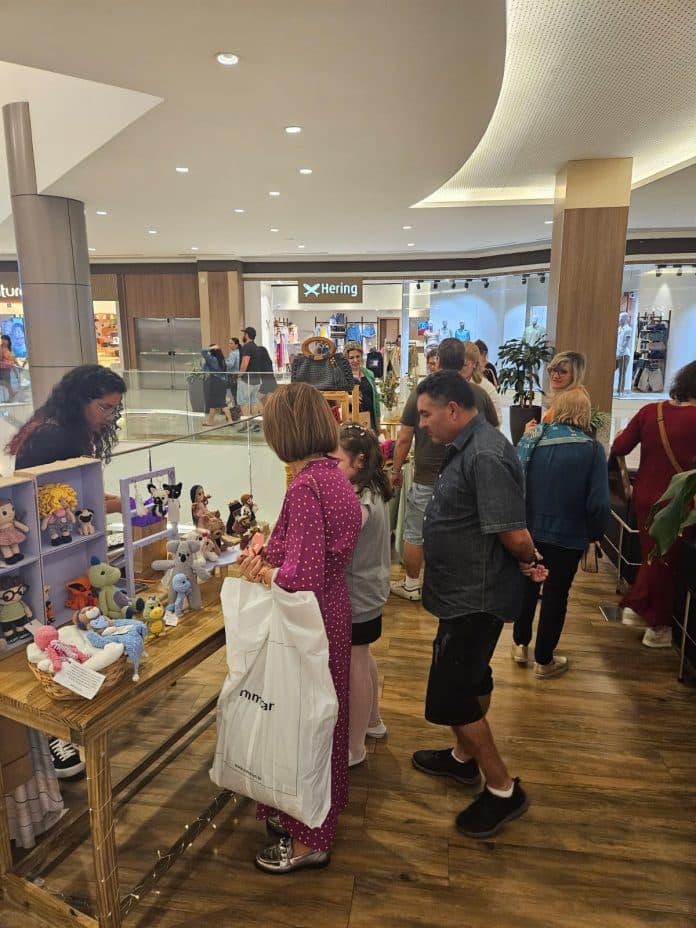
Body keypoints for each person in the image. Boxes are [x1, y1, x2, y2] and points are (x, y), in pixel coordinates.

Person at [411, 371, 545, 838]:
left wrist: (530, 560)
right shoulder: (468, 446)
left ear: (452, 409)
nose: (422, 423)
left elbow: (514, 533)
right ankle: (463, 758)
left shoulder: (484, 453)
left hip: (476, 596)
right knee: (473, 678)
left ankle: (504, 789)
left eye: (426, 414)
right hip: (463, 592)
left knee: (453, 695)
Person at [239, 383, 361, 873]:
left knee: (303, 722)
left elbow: (301, 576)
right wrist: (273, 554)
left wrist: (266, 571)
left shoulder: (306, 487)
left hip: (308, 622)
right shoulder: (334, 477)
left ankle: (311, 837)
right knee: (320, 718)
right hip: (330, 614)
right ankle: (306, 814)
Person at [6, 366, 126, 786]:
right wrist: (120, 505)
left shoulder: (57, 428)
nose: (109, 417)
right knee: (53, 633)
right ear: (81, 400)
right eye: (104, 408)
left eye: (114, 410)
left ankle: (66, 722)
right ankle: (57, 733)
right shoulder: (54, 436)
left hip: (58, 548)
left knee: (66, 627)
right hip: (48, 551)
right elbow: (64, 502)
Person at [390, 338, 498, 601]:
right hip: (466, 476)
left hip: (427, 474)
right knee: (461, 530)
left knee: (415, 531)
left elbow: (404, 438)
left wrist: (395, 471)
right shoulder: (478, 394)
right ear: (464, 362)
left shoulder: (423, 392)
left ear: (437, 360)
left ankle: (412, 584)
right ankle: (456, 583)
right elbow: (493, 433)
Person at [513, 390, 610, 676]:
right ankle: (544, 661)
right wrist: (594, 535)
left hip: (529, 533)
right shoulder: (592, 450)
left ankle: (520, 645)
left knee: (527, 589)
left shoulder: (532, 441)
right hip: (569, 537)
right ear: (585, 414)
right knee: (556, 596)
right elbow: (599, 503)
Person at [611, 361, 696, 648]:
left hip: (646, 497)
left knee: (655, 557)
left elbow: (619, 447)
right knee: (664, 562)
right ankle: (653, 620)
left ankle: (645, 612)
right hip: (681, 501)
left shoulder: (651, 412)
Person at [334, 423, 392, 767]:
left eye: (337, 461)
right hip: (370, 589)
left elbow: (349, 529)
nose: (331, 467)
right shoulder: (372, 487)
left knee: (356, 662)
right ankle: (372, 721)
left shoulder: (361, 497)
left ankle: (354, 747)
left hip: (359, 593)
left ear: (358, 461)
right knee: (362, 656)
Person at [525, 350, 589, 433]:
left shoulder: (571, 398)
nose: (555, 376)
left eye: (563, 372)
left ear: (575, 375)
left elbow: (558, 436)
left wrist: (530, 434)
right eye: (554, 370)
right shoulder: (566, 394)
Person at [462, 340, 502, 426]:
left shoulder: (484, 386)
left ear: (474, 364)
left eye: (464, 365)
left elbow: (496, 421)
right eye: (458, 364)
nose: (460, 368)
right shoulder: (458, 382)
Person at [345, 341, 381, 432]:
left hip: (369, 420)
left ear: (361, 356)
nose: (355, 360)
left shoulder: (369, 374)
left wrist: (378, 424)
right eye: (351, 358)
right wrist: (347, 398)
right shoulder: (342, 376)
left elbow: (375, 399)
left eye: (358, 356)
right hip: (351, 422)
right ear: (346, 359)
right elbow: (336, 398)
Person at [201, 345, 233, 427]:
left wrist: (211, 348)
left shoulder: (212, 359)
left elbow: (203, 352)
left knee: (219, 403)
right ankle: (210, 421)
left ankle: (230, 420)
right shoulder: (222, 360)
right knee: (215, 403)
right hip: (222, 382)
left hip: (215, 382)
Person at [238, 326, 261, 415]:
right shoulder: (256, 347)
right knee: (254, 401)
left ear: (246, 335)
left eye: (244, 334)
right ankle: (254, 421)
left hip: (246, 380)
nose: (243, 336)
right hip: (256, 379)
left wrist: (239, 375)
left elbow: (244, 364)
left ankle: (246, 422)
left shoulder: (246, 347)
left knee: (243, 402)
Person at [0, 334, 17, 400]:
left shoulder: (10, 348)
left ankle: (11, 395)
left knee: (8, 382)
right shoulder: (1, 348)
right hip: (3, 368)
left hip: (9, 368)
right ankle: (11, 393)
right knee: (6, 382)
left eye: (5, 339)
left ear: (8, 340)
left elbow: (14, 358)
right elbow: (0, 358)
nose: (4, 341)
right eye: (2, 339)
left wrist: (17, 365)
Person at [226, 336, 241, 407]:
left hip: (232, 376)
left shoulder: (233, 353)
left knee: (233, 394)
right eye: (229, 343)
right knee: (237, 394)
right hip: (238, 376)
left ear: (236, 345)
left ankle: (236, 409)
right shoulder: (240, 352)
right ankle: (239, 408)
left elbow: (230, 365)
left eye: (231, 343)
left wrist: (223, 363)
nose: (229, 345)